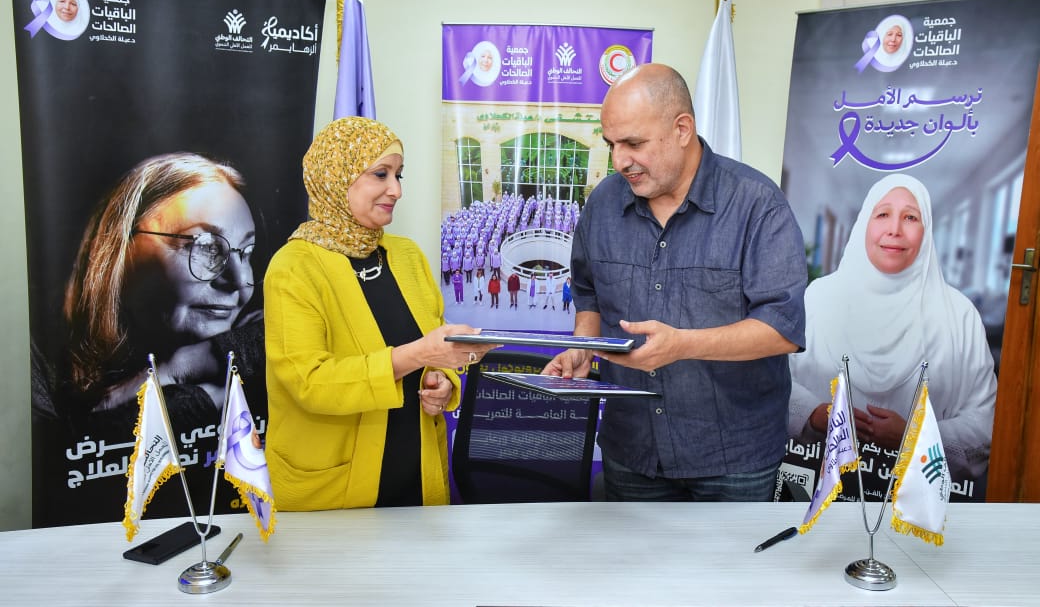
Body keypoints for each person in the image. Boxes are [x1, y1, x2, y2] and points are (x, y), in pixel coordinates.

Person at [544, 63, 807, 502]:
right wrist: (582, 348)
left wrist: (682, 345)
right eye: (611, 144)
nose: (619, 161)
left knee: (729, 554)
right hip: (633, 449)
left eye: (634, 143)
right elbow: (589, 295)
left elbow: (782, 328)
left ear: (682, 129)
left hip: (733, 456)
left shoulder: (756, 204)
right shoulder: (603, 204)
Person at [263, 117, 498, 511]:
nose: (396, 190)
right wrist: (419, 354)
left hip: (416, 473)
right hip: (334, 491)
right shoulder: (293, 267)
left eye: (399, 175)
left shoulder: (407, 255)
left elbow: (432, 345)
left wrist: (441, 381)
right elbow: (310, 383)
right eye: (380, 174)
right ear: (336, 177)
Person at [788, 174, 996, 488]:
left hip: (918, 498)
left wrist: (914, 435)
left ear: (926, 230)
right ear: (864, 224)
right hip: (818, 484)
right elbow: (774, 380)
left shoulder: (959, 315)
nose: (894, 229)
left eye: (910, 217)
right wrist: (815, 414)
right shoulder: (817, 299)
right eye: (883, 214)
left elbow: (984, 421)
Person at [54, 151, 260, 428]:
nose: (240, 280)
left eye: (246, 252)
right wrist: (195, 385)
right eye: (205, 246)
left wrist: (187, 365)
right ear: (121, 252)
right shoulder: (38, 374)